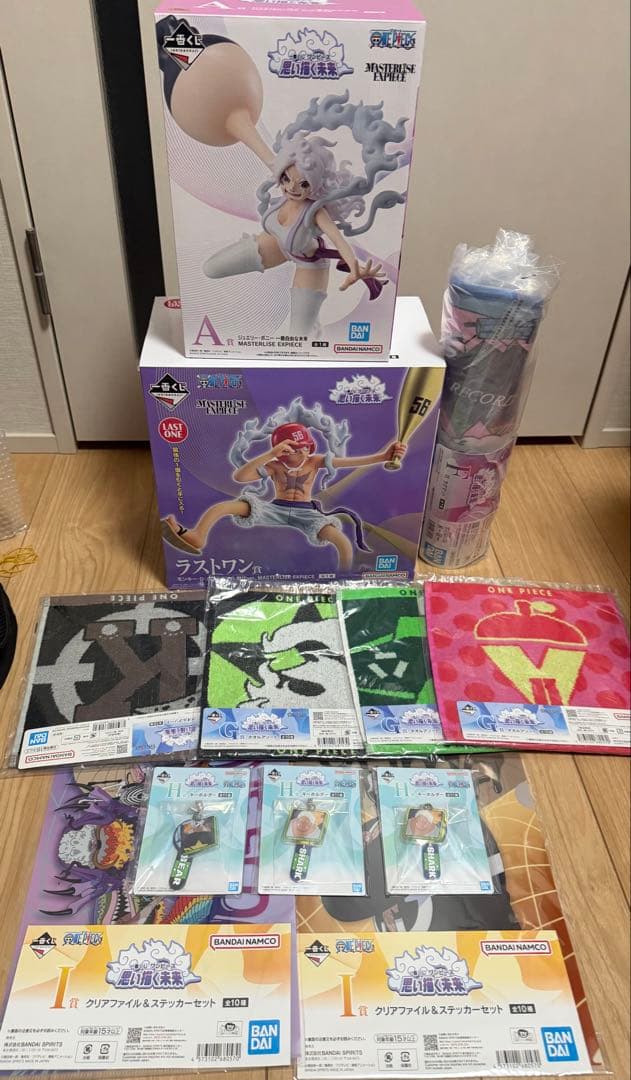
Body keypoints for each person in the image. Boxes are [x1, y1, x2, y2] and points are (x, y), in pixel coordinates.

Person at [162, 421, 406, 570]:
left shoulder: (315, 461)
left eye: (303, 448)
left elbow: (349, 462)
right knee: (224, 507)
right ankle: (197, 536)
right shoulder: (275, 465)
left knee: (342, 542)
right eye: (292, 449)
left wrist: (382, 457)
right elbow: (240, 477)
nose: (299, 452)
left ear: (309, 447)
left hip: (307, 513)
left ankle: (343, 578)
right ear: (281, 450)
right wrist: (271, 454)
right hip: (275, 508)